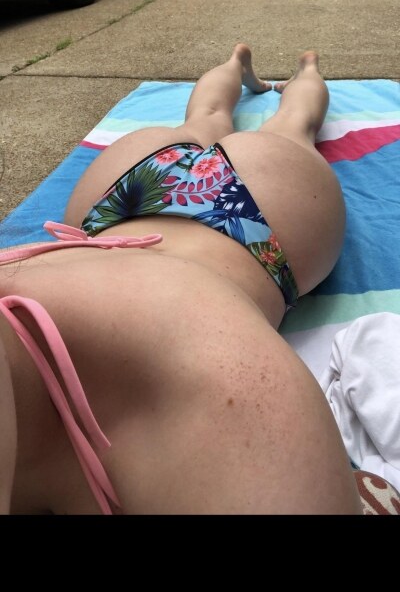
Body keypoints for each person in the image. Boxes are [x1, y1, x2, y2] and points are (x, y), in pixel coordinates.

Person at [0, 44, 363, 515]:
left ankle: (264, 66)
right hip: (127, 214)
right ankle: (264, 66)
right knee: (253, 121)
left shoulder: (229, 395)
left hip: (231, 226)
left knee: (254, 121)